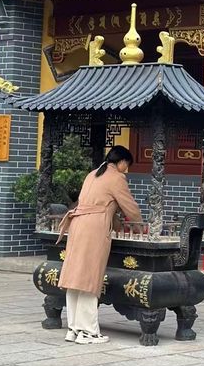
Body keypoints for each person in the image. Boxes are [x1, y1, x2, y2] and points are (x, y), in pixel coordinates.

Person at [57, 145, 142, 345]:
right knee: (89, 278)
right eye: (126, 165)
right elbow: (129, 206)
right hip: (93, 229)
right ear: (121, 162)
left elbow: (104, 205)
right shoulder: (116, 178)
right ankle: (88, 332)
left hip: (78, 225)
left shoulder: (92, 174)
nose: (126, 169)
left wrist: (119, 224)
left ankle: (73, 328)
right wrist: (141, 227)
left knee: (75, 278)